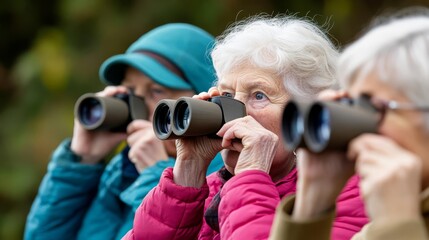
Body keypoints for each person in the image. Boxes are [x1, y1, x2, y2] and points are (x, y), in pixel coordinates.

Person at [123, 15, 367, 240]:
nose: (234, 112)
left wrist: (251, 174)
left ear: (306, 116)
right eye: (227, 94)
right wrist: (188, 170)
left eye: (259, 96)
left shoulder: (350, 195)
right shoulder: (215, 189)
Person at [24, 23, 224, 240]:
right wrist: (81, 162)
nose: (137, 106)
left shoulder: (223, 182)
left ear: (202, 99)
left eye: (156, 91)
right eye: (130, 91)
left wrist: (158, 176)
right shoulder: (122, 172)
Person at [269, 8, 429, 240]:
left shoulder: (396, 220)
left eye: (374, 108)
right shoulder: (381, 227)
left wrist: (398, 224)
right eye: (350, 105)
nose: (355, 131)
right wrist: (312, 202)